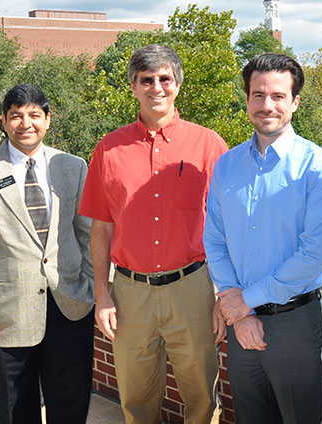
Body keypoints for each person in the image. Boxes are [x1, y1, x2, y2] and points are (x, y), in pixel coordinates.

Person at [79, 44, 228, 424]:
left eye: (165, 78)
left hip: (192, 289)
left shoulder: (209, 145)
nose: (156, 87)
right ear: (133, 86)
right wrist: (102, 293)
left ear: (177, 84)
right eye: (147, 79)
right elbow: (101, 227)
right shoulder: (109, 149)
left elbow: (228, 226)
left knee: (202, 401)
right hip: (130, 295)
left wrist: (224, 296)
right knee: (136, 401)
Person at [204, 53, 322, 424]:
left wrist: (242, 303)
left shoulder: (319, 167)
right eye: (258, 95)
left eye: (278, 96)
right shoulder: (227, 165)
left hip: (296, 324)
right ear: (247, 100)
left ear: (295, 102)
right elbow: (215, 239)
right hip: (239, 326)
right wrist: (236, 308)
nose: (268, 105)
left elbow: (312, 257)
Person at [0, 83, 95, 423]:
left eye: (34, 115)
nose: (25, 124)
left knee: (71, 406)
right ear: (4, 121)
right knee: (15, 410)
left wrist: (90, 287)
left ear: (48, 119)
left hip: (70, 306)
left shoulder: (72, 166)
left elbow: (86, 234)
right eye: (16, 116)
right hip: (6, 317)